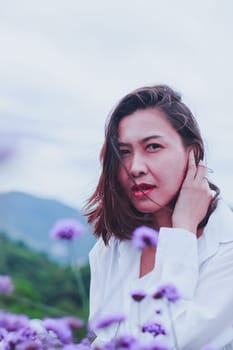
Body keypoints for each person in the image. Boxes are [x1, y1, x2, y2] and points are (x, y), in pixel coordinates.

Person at [85, 85, 233, 349]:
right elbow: (101, 338)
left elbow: (167, 341)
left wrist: (183, 232)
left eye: (153, 146)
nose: (135, 168)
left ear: (193, 153)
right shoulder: (113, 245)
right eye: (125, 152)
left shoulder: (227, 250)